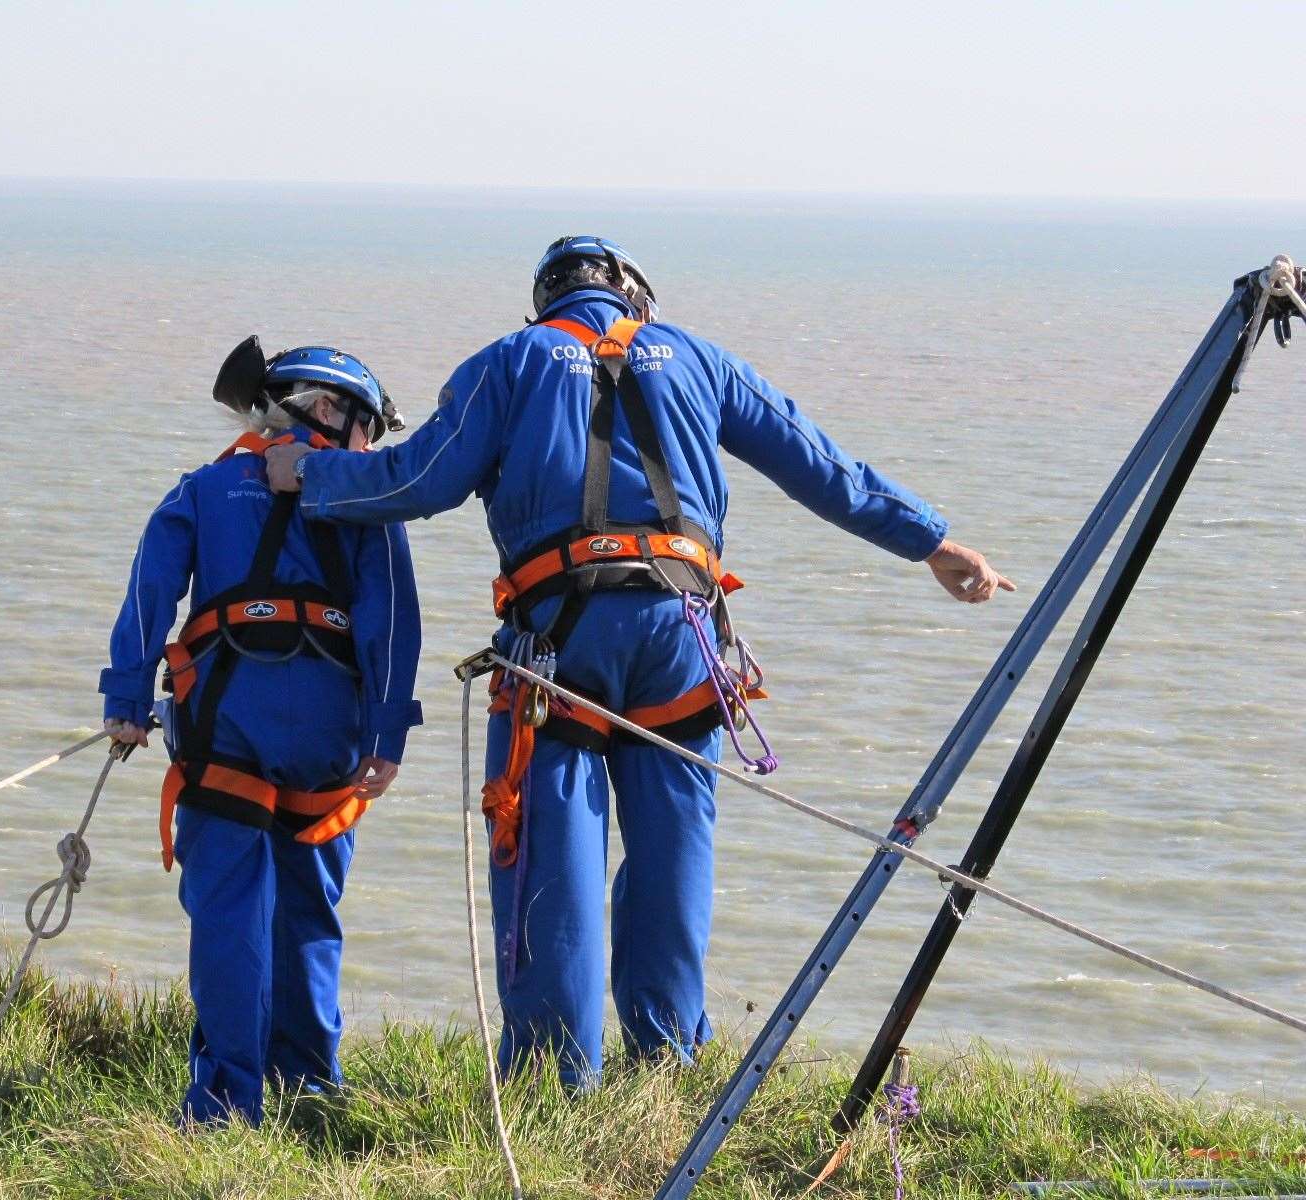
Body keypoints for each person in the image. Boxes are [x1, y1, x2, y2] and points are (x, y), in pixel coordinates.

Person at [263, 237, 1013, 1089]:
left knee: (552, 873)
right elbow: (820, 464)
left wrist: (310, 476)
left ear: (545, 302)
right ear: (632, 297)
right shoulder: (696, 357)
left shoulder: (509, 362)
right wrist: (934, 543)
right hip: (684, 641)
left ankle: (556, 1086)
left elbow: (418, 478)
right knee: (672, 866)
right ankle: (668, 1073)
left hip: (559, 645)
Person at [99, 339, 422, 1125]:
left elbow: (151, 591)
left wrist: (127, 696)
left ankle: (223, 1104)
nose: (367, 449)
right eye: (365, 430)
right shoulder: (363, 502)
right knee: (310, 909)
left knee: (229, 914)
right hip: (329, 729)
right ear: (332, 411)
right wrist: (388, 732)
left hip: (225, 718)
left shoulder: (206, 486)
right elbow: (392, 618)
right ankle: (309, 1090)